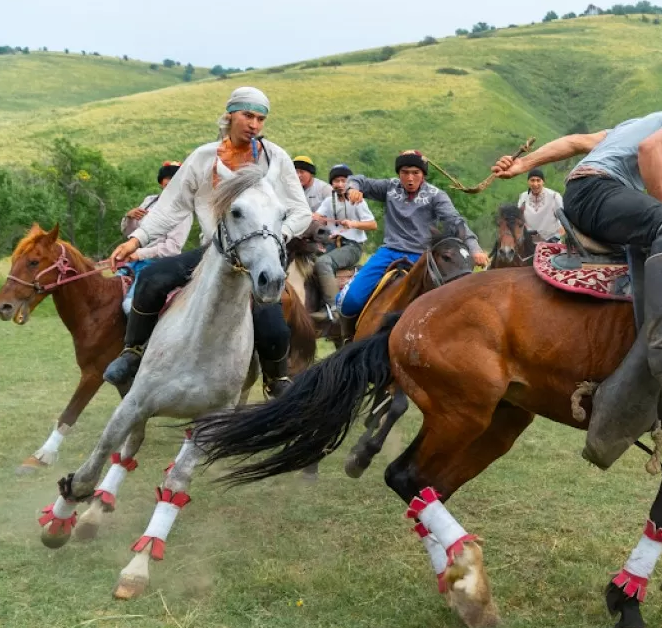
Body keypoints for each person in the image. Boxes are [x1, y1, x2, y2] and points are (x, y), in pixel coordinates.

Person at [491, 112, 662, 466]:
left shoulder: (636, 125)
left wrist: (521, 165)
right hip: (599, 190)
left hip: (582, 193)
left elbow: (576, 142)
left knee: (656, 237)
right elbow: (651, 149)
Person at [104, 87, 312, 396]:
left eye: (260, 118)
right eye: (248, 116)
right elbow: (171, 206)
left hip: (258, 256)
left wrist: (275, 237)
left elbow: (301, 212)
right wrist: (137, 239)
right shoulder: (203, 158)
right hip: (212, 251)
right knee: (150, 278)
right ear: (230, 116)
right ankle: (133, 352)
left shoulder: (276, 158)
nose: (254, 124)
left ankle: (276, 378)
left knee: (272, 319)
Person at [338, 149, 489, 338]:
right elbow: (357, 179)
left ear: (423, 174)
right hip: (389, 252)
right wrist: (352, 189)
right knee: (349, 301)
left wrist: (474, 249)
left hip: (422, 257)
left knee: (449, 306)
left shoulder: (436, 195)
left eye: (415, 173)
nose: (410, 178)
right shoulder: (390, 188)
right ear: (399, 173)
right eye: (405, 172)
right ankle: (348, 341)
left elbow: (456, 222)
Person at [116, 161, 194, 314]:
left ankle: (142, 338)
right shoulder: (150, 201)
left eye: (172, 187)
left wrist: (139, 254)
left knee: (129, 306)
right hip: (133, 262)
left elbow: (172, 248)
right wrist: (129, 218)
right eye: (165, 186)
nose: (168, 191)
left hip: (157, 264)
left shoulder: (184, 212)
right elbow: (129, 234)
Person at [309, 164, 376, 321]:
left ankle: (334, 309)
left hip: (352, 246)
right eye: (335, 181)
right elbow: (317, 217)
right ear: (331, 183)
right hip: (332, 244)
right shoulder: (328, 201)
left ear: (349, 183)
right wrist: (314, 218)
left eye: (343, 180)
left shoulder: (357, 200)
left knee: (323, 263)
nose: (339, 185)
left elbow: (373, 224)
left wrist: (353, 224)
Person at [516, 168, 565, 242]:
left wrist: (556, 237)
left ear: (543, 182)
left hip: (551, 242)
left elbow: (564, 221)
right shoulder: (523, 197)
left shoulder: (554, 196)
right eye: (532, 180)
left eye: (538, 180)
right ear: (528, 182)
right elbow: (519, 220)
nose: (535, 184)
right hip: (529, 243)